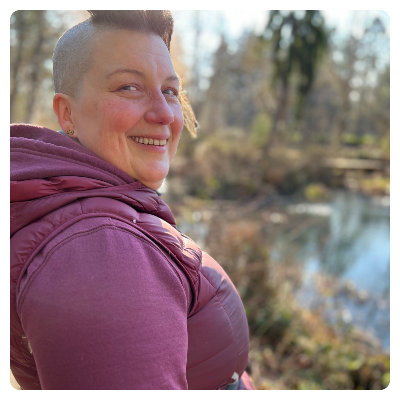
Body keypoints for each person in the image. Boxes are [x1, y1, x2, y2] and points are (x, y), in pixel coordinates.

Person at [10, 10, 254, 390]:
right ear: (67, 112)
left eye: (170, 91)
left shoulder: (89, 201)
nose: (164, 114)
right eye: (129, 87)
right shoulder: (100, 251)